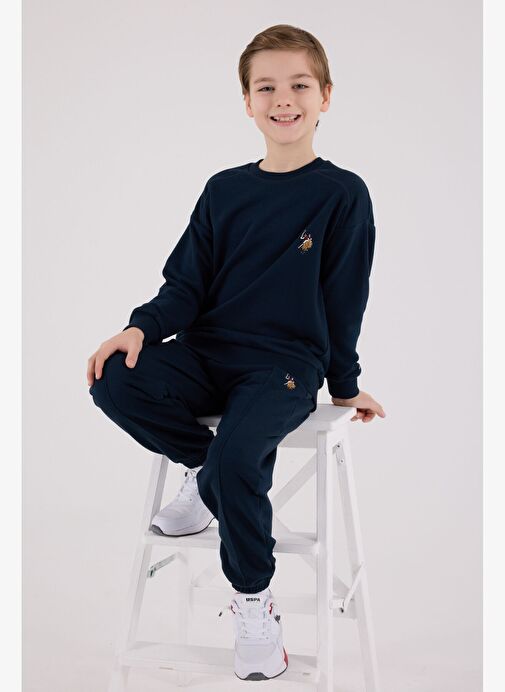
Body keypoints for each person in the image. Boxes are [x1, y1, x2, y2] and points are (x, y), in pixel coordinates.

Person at [87, 23, 386, 682]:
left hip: (284, 366)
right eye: (266, 88)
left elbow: (345, 297)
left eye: (299, 85)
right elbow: (186, 286)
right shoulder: (223, 189)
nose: (284, 100)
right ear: (247, 102)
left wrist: (343, 383)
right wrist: (140, 329)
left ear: (325, 96)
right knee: (113, 378)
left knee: (237, 455)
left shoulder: (341, 194)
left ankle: (254, 605)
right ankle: (207, 472)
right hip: (206, 351)